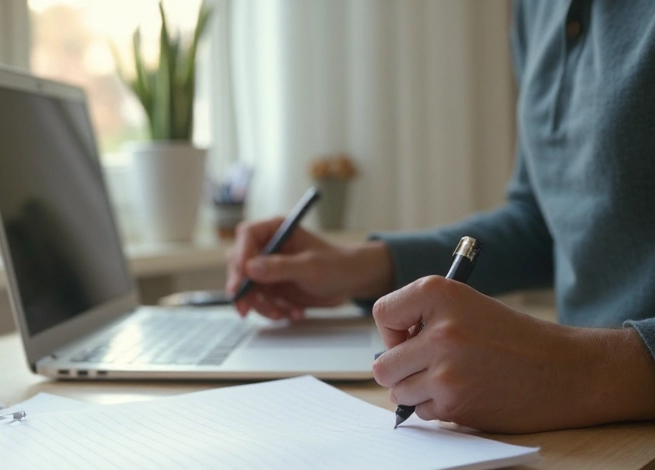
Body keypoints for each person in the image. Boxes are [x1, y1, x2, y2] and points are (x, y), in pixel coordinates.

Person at [226, 0, 655, 435]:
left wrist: (571, 371)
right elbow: (542, 220)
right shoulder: (536, 7)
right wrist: (361, 265)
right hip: (589, 429)